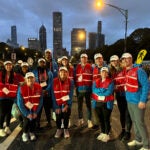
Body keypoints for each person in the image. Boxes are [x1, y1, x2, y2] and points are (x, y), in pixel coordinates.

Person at [122, 53, 149, 150]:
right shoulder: (127, 70)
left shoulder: (139, 70)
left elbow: (146, 85)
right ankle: (138, 139)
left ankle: (146, 145)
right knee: (135, 122)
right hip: (130, 101)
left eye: (127, 59)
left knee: (140, 123)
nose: (125, 60)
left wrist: (143, 100)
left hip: (138, 101)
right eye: (123, 59)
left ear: (131, 59)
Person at [109, 55, 132, 141]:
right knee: (122, 113)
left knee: (128, 114)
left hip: (127, 94)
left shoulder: (124, 69)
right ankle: (123, 130)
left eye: (116, 60)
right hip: (119, 94)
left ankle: (128, 132)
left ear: (118, 61)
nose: (114, 62)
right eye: (112, 61)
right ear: (110, 63)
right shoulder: (111, 72)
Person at [0, 61, 24, 137]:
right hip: (2, 97)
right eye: (7, 65)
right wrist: (6, 92)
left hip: (11, 97)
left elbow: (21, 81)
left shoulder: (14, 75)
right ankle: (0, 129)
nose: (9, 66)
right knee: (2, 113)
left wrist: (23, 82)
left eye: (10, 65)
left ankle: (7, 127)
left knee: (8, 113)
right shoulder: (0, 74)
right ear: (4, 66)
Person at [17, 72, 43, 142]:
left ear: (34, 79)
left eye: (32, 78)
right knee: (27, 121)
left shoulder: (39, 87)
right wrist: (26, 114)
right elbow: (20, 103)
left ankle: (31, 132)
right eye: (28, 78)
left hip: (35, 109)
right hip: (24, 109)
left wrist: (36, 112)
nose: (30, 79)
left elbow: (40, 101)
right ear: (25, 79)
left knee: (33, 120)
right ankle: (24, 133)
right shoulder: (21, 88)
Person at [92, 67, 114, 142]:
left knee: (106, 119)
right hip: (98, 103)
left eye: (105, 72)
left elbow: (109, 92)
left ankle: (107, 134)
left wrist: (99, 91)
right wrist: (103, 89)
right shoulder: (96, 81)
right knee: (101, 119)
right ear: (100, 73)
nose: (104, 73)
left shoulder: (110, 81)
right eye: (102, 72)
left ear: (107, 74)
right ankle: (103, 132)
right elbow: (94, 90)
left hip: (106, 103)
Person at [52, 67, 74, 138]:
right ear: (59, 73)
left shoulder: (70, 81)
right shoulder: (54, 81)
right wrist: (56, 107)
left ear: (67, 73)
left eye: (65, 72)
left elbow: (71, 94)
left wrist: (67, 105)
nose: (63, 73)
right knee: (58, 117)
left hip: (66, 104)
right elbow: (53, 95)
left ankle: (65, 129)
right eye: (61, 72)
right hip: (57, 104)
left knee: (66, 116)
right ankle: (59, 129)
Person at [33, 58, 53, 128]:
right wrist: (39, 91)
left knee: (47, 109)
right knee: (39, 109)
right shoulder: (34, 72)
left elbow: (51, 82)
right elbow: (33, 82)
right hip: (38, 94)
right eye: (40, 62)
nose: (42, 64)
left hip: (47, 93)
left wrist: (46, 90)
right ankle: (37, 123)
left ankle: (49, 122)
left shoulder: (49, 72)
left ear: (45, 64)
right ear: (38, 64)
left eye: (43, 63)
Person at [75, 53, 93, 128]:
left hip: (88, 89)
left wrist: (92, 88)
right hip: (79, 89)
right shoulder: (77, 67)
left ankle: (89, 120)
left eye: (85, 58)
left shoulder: (90, 67)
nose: (84, 59)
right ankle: (80, 119)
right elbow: (75, 77)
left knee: (88, 106)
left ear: (87, 59)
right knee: (79, 106)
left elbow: (92, 78)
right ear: (80, 59)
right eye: (82, 58)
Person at [92, 53, 106, 130]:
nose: (98, 60)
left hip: (104, 92)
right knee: (94, 108)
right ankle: (97, 123)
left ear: (102, 59)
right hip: (95, 92)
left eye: (100, 58)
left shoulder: (106, 68)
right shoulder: (94, 69)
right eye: (97, 59)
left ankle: (107, 125)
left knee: (104, 109)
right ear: (95, 60)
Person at [44, 49, 58, 121]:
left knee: (54, 99)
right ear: (45, 54)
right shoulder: (43, 62)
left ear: (51, 54)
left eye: (49, 53)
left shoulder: (54, 63)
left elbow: (57, 73)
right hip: (45, 84)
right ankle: (48, 119)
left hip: (53, 84)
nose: (48, 55)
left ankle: (54, 113)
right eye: (46, 53)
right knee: (46, 102)